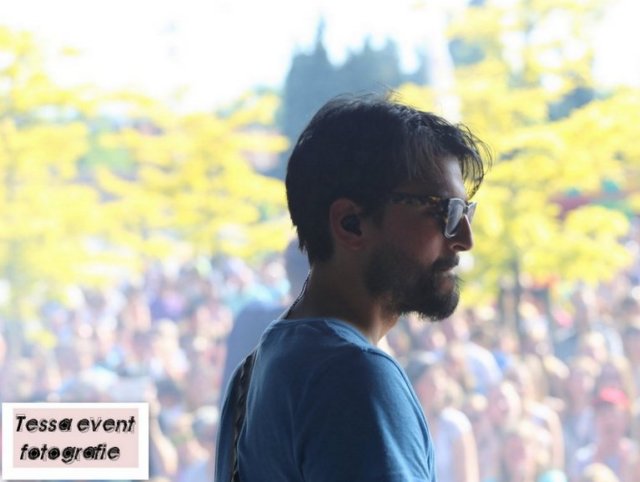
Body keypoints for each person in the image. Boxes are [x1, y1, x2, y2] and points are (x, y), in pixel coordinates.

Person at [215, 94, 491, 481]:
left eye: (465, 212)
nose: (464, 238)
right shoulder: (354, 375)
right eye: (444, 210)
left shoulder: (252, 375)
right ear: (350, 223)